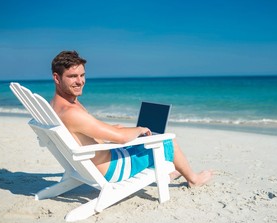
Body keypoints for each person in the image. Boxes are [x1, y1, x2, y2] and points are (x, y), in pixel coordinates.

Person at [50, 50, 212, 187]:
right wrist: (139, 129)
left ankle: (168, 173)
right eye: (72, 76)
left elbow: (82, 132)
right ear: (57, 78)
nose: (80, 81)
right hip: (112, 169)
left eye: (82, 75)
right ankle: (194, 179)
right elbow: (121, 139)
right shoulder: (71, 112)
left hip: (94, 161)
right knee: (168, 142)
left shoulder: (58, 106)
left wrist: (113, 128)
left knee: (137, 137)